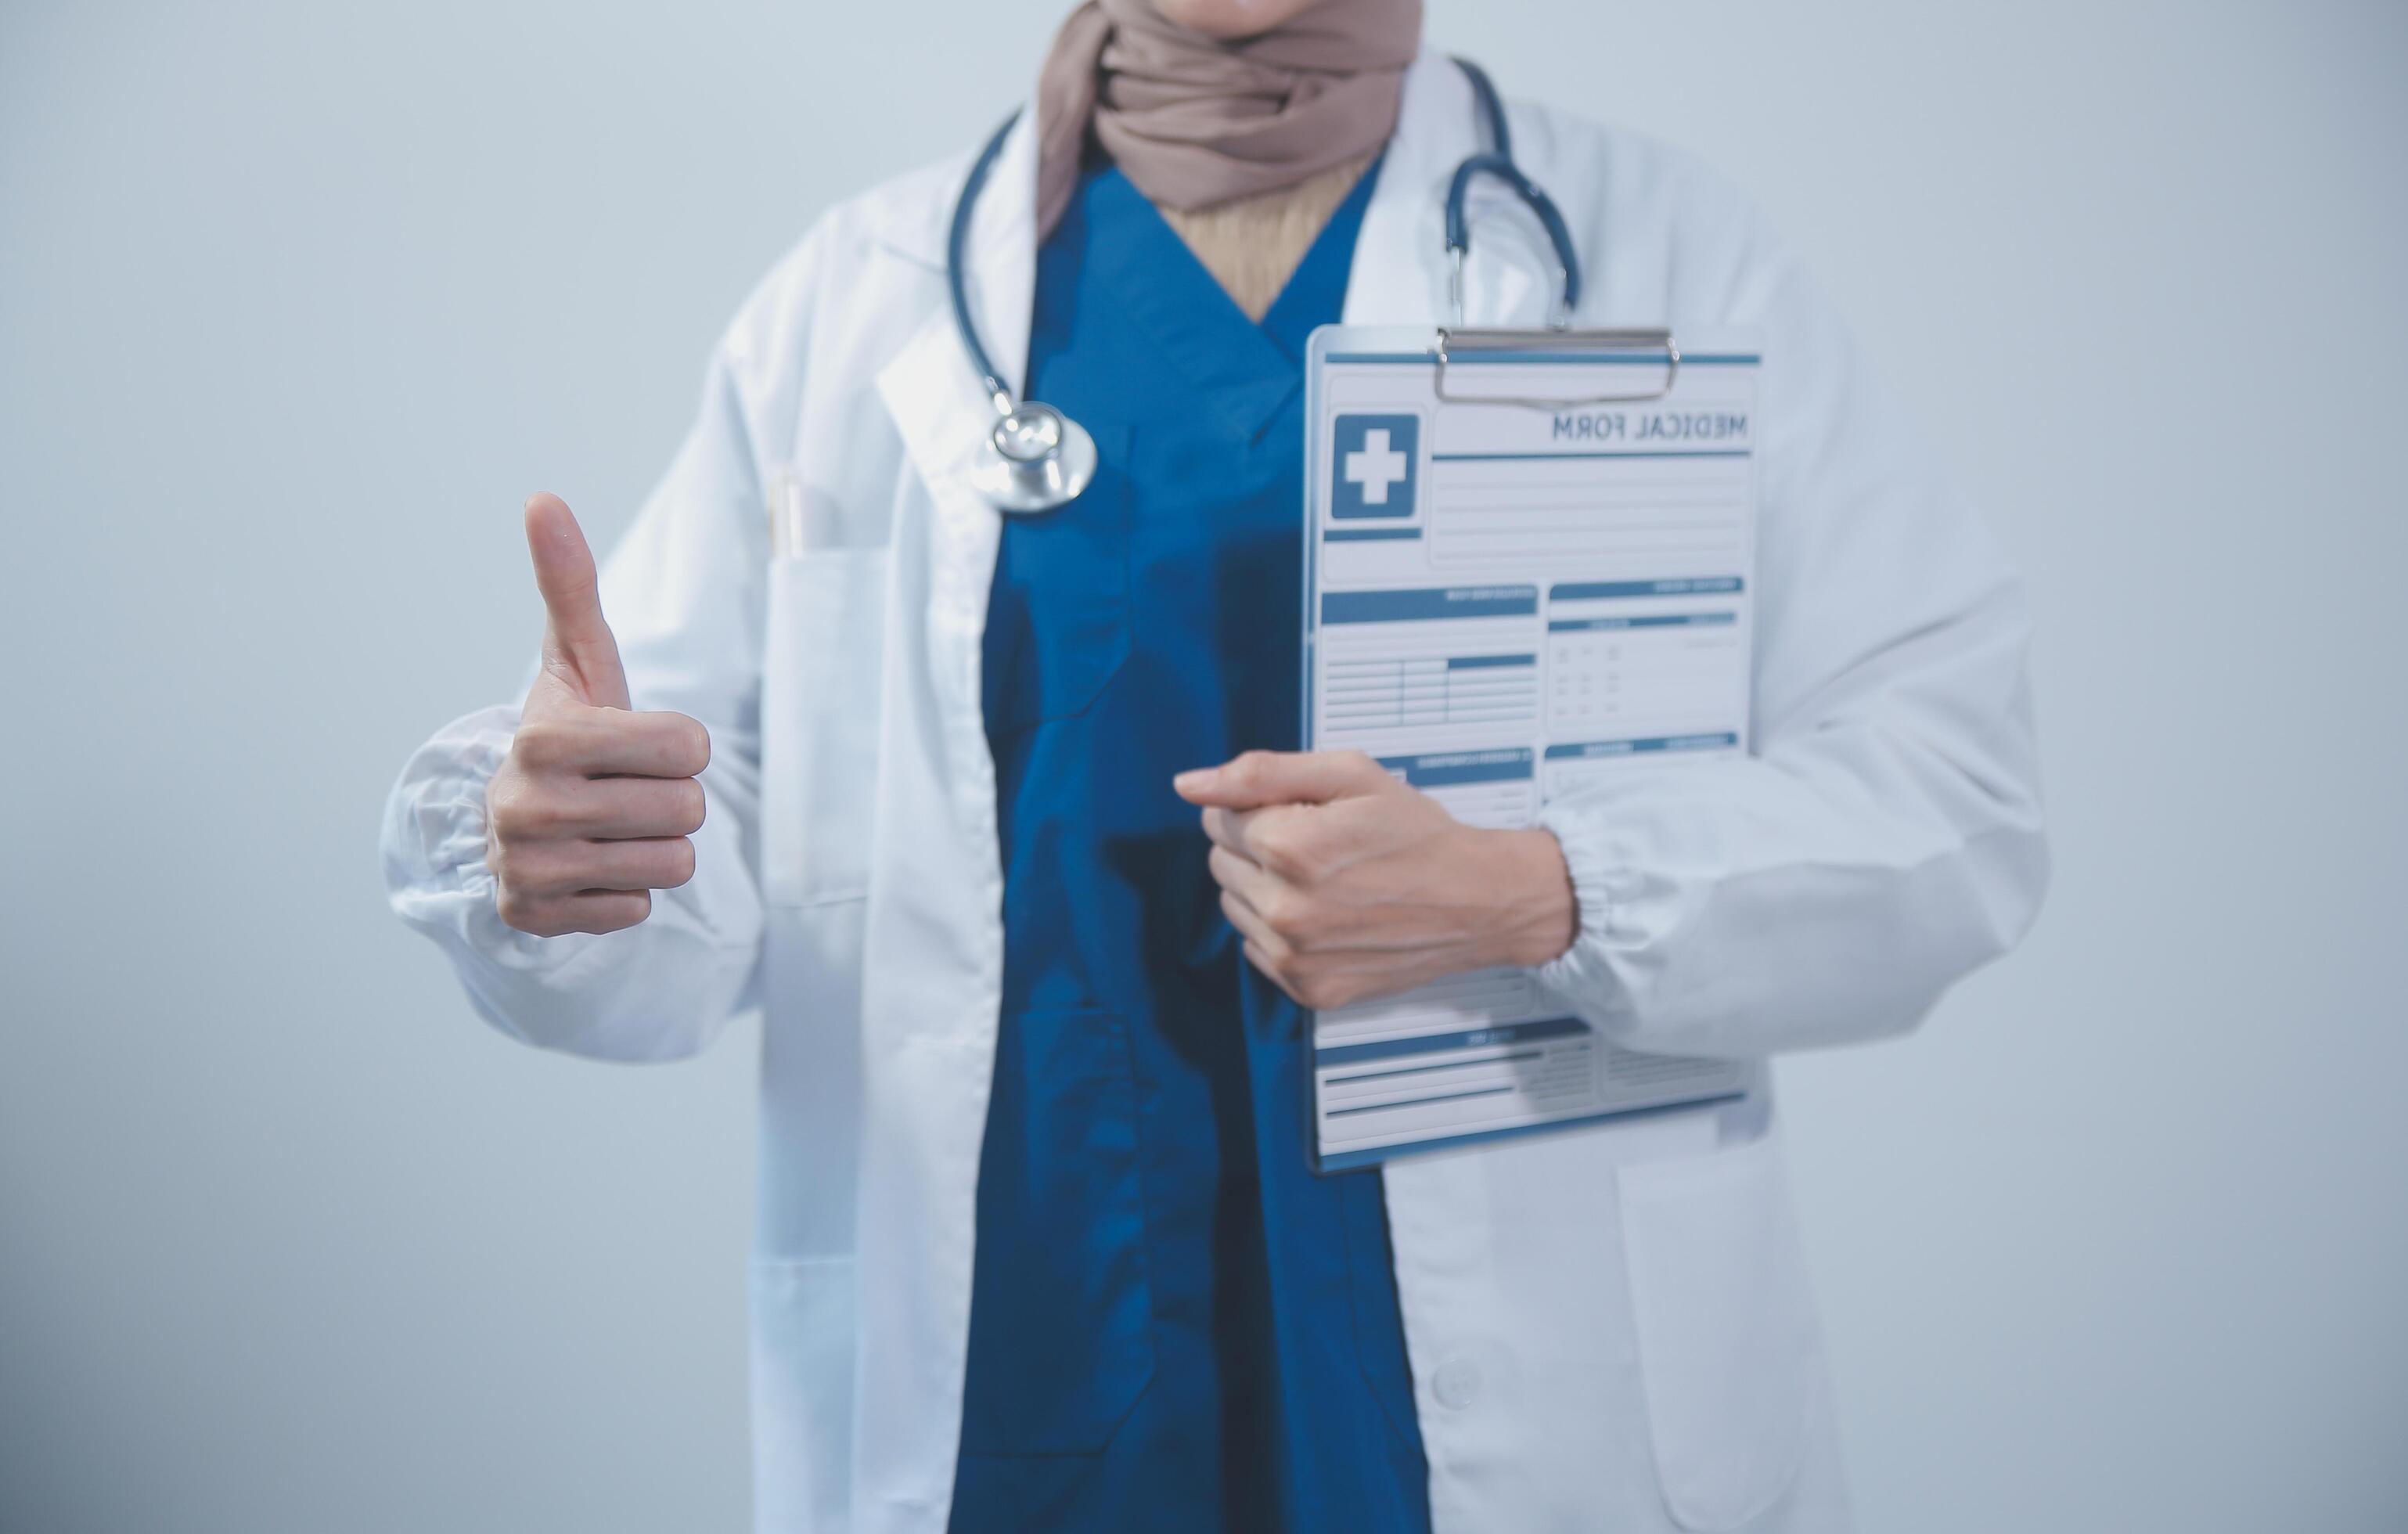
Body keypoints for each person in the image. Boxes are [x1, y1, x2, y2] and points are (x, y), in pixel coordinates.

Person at [381, 1, 2049, 1529]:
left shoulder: (1664, 247)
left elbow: (1947, 789)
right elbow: (709, 840)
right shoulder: (859, 294)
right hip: (1028, 1383)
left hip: (1501, 1414)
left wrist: (1546, 887)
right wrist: (574, 856)